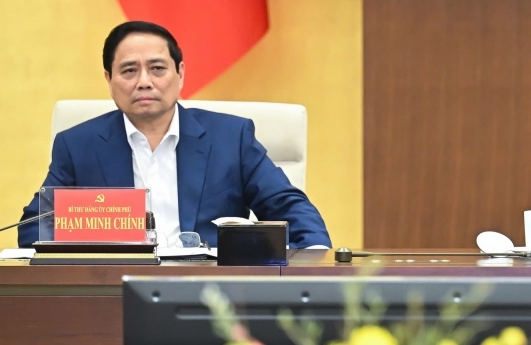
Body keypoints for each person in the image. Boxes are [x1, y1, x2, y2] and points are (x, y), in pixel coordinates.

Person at [18, 21, 332, 249]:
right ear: (109, 79)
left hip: (211, 290)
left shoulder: (231, 138)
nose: (144, 81)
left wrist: (315, 258)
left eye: (157, 68)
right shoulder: (78, 145)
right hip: (116, 288)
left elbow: (291, 210)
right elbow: (35, 228)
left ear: (180, 74)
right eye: (129, 71)